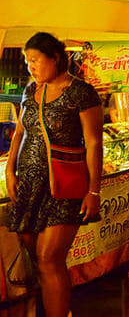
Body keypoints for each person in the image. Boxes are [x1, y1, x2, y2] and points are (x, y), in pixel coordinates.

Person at [6, 33, 103, 317]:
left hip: (63, 186)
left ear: (55, 58)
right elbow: (20, 132)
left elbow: (94, 143)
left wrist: (93, 191)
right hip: (29, 184)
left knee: (49, 258)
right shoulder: (30, 91)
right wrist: (11, 170)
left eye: (35, 60)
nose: (30, 67)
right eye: (27, 61)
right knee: (38, 257)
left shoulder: (81, 92)